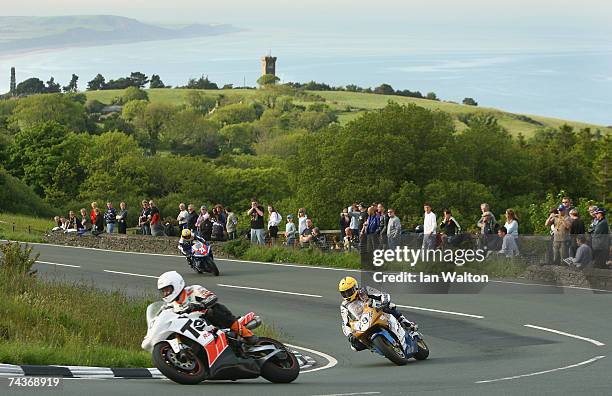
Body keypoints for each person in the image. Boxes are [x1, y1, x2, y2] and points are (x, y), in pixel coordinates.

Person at [157, 271, 257, 344]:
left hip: (210, 320)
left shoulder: (193, 290)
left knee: (214, 310)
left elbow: (212, 297)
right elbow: (163, 316)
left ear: (176, 284)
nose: (165, 293)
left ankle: (246, 334)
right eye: (163, 291)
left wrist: (200, 305)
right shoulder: (170, 306)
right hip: (193, 328)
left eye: (167, 290)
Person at [338, 276, 417, 352]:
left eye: (349, 291)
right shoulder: (344, 305)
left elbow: (382, 294)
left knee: (390, 307)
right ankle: (375, 346)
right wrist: (349, 335)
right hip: (362, 321)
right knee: (354, 346)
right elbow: (345, 322)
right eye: (344, 293)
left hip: (376, 310)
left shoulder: (364, 290)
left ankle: (407, 323)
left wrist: (384, 302)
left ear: (355, 287)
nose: (347, 295)